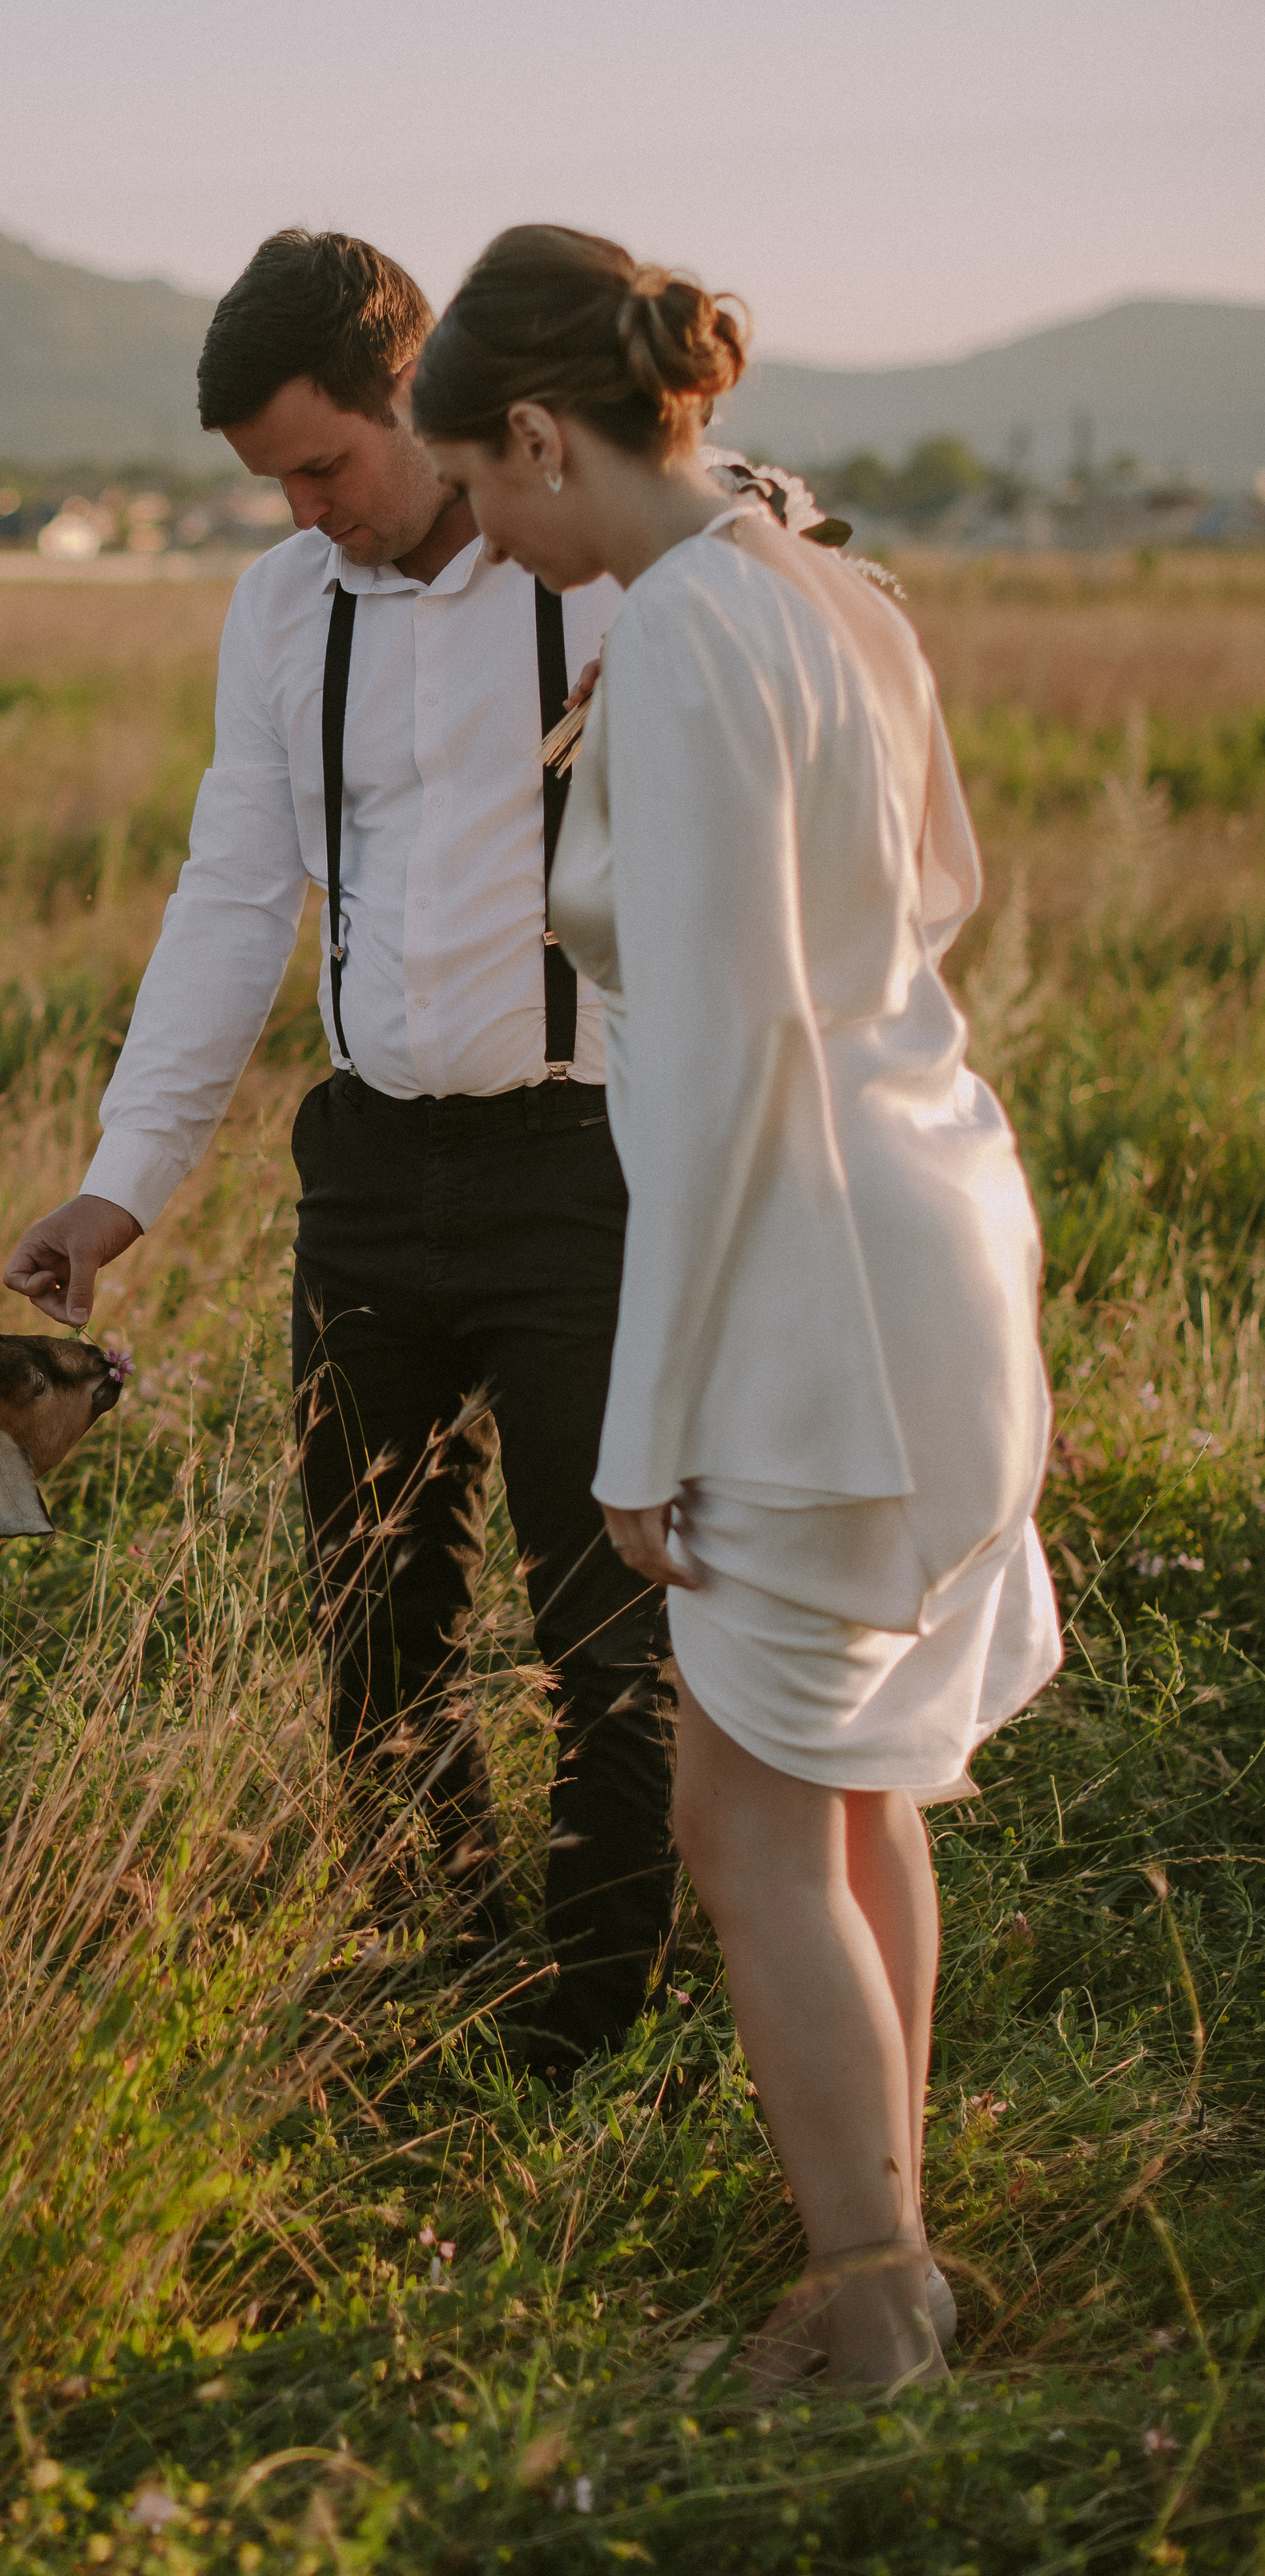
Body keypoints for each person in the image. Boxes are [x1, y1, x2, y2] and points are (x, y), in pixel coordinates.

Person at [411, 224, 1062, 2389]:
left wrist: (639, 1429)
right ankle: (897, 2244)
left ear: (536, 428)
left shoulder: (694, 630)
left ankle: (870, 2294)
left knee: (743, 1815)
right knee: (860, 1780)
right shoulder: (819, 585)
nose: (492, 539)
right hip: (944, 1209)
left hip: (807, 1275)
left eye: (491, 492)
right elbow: (941, 886)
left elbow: (712, 1074)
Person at [3, 228, 677, 2066]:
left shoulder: (612, 582)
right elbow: (232, 898)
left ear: (420, 398)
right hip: (365, 1170)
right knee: (369, 1614)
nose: (305, 512)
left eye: (326, 464)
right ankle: (424, 1955)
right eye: (270, 482)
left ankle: (592, 2025)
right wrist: (120, 1181)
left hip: (589, 1167)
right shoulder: (278, 612)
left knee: (599, 1634)